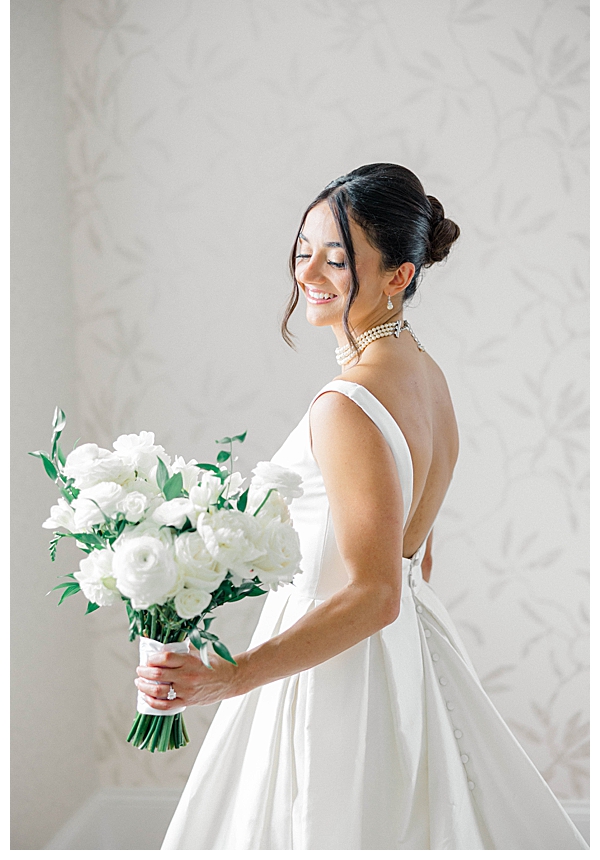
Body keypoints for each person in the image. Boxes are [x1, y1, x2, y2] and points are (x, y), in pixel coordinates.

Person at [136, 164, 588, 850]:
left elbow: (375, 592)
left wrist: (233, 678)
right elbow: (417, 553)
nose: (308, 272)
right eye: (302, 251)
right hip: (405, 653)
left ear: (398, 275)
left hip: (337, 677)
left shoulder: (346, 405)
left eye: (337, 257)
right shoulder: (425, 374)